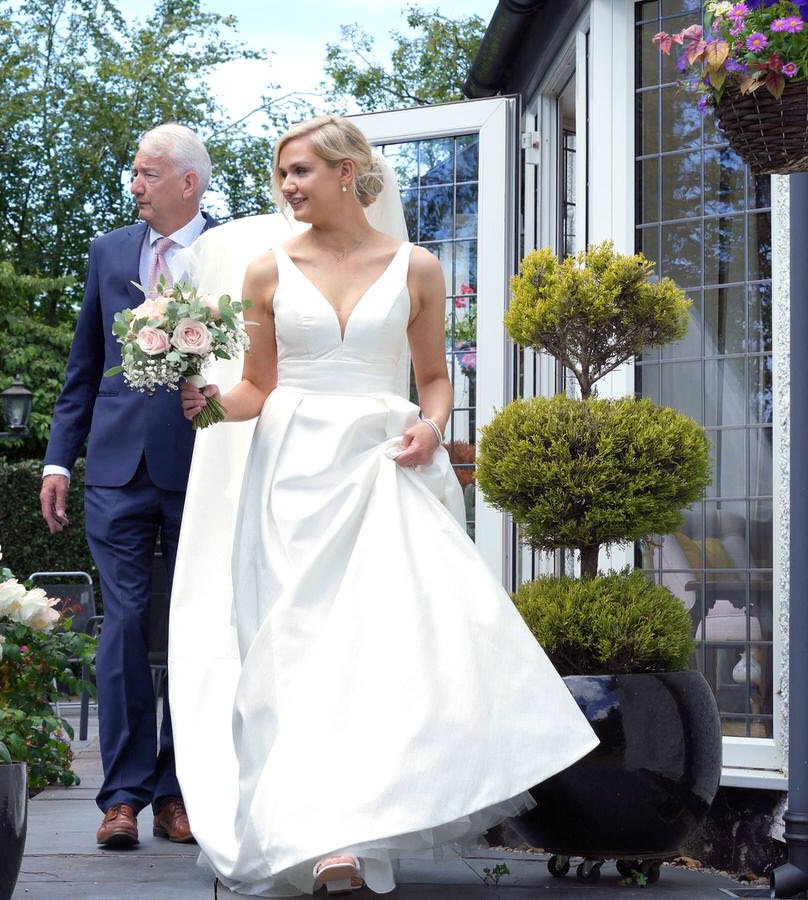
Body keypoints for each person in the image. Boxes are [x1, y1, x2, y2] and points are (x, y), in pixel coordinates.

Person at [171, 115, 598, 896]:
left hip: (380, 472)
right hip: (289, 483)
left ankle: (349, 843)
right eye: (282, 175)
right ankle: (316, 834)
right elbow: (257, 390)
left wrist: (431, 430)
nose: (288, 187)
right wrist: (203, 403)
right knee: (296, 656)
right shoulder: (266, 272)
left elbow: (434, 380)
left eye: (300, 171)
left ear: (346, 172)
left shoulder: (418, 268)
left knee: (376, 658)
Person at [41, 123, 218, 849]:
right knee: (119, 629)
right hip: (114, 469)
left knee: (194, 634)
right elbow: (84, 362)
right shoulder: (108, 251)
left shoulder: (233, 253)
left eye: (146, 174)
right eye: (133, 174)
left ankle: (181, 793)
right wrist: (59, 459)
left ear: (188, 183)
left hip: (206, 465)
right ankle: (121, 797)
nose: (133, 186)